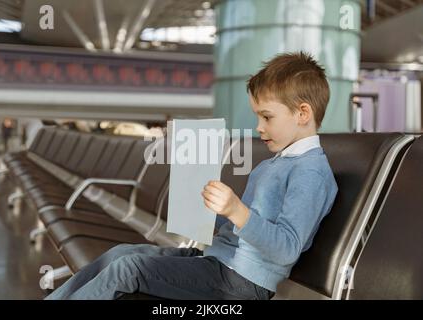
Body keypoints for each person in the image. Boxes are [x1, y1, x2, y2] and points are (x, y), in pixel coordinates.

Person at [45, 52, 338, 300]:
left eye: (267, 117)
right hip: (218, 262)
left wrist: (237, 211)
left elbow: (286, 248)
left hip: (242, 283)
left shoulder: (310, 173)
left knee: (128, 270)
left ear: (302, 114)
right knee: (120, 254)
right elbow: (243, 228)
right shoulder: (272, 164)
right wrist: (208, 215)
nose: (258, 126)